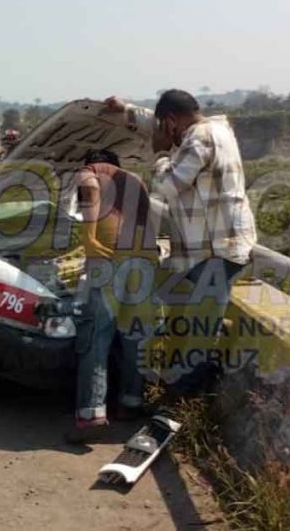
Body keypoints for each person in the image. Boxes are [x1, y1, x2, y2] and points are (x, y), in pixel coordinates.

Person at [105, 90, 257, 379]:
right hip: (207, 250)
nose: (161, 132)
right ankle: (169, 387)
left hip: (216, 253)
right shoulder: (213, 129)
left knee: (198, 336)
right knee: (172, 314)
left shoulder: (200, 139)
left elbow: (168, 186)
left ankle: (181, 405)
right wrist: (126, 109)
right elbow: (158, 123)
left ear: (173, 121)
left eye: (164, 127)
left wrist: (160, 154)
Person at [66, 149, 157, 443]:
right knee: (134, 335)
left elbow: (89, 187)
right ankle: (130, 402)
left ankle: (92, 413)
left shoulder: (90, 172)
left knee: (96, 335)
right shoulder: (135, 179)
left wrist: (89, 237)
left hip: (109, 259)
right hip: (144, 261)